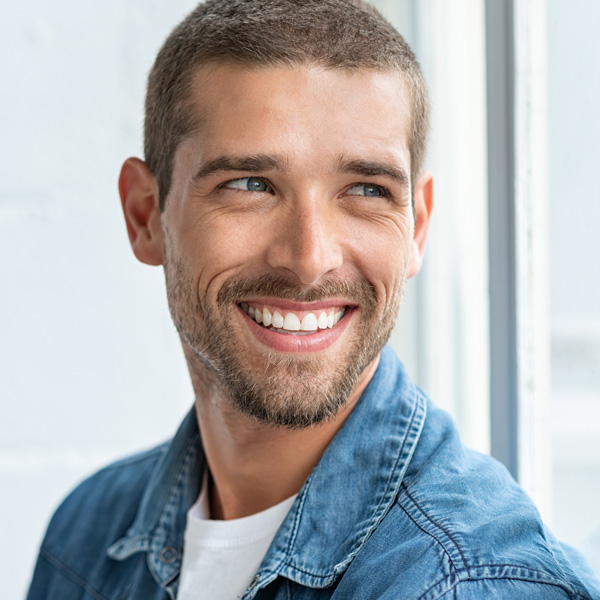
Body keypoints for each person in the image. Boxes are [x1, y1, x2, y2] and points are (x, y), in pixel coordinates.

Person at [26, 0, 600, 598]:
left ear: (416, 229)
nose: (308, 258)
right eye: (250, 185)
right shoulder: (85, 538)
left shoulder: (466, 584)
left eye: (366, 190)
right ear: (146, 215)